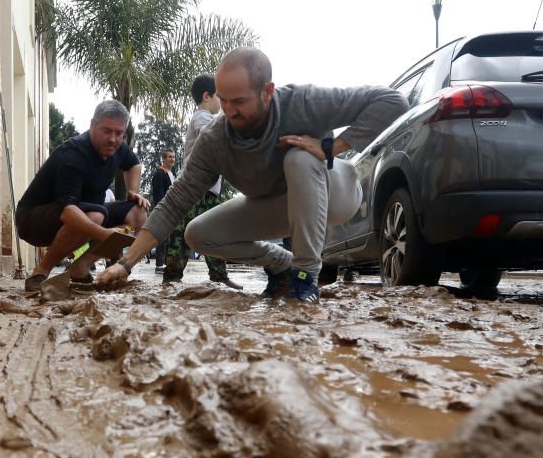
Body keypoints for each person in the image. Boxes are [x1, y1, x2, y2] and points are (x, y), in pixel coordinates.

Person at [97, 47, 408, 303]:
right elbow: (174, 202)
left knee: (300, 157)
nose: (230, 111)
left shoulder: (303, 103)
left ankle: (304, 278)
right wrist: (126, 264)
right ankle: (281, 265)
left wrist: (332, 146)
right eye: (224, 100)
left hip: (336, 193)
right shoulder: (216, 138)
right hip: (276, 206)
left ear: (267, 92)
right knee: (197, 233)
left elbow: (392, 101)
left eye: (240, 101)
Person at [15, 100, 150, 290]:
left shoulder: (119, 148)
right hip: (33, 220)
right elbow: (67, 212)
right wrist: (105, 234)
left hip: (86, 212)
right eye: (107, 130)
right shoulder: (73, 154)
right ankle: (41, 271)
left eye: (119, 133)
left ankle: (81, 267)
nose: (113, 139)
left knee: (138, 213)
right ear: (92, 125)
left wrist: (133, 191)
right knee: (95, 216)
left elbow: (134, 164)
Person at [161, 74, 243, 290]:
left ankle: (219, 275)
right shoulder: (202, 117)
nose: (223, 104)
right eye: (220, 98)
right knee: (183, 233)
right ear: (207, 96)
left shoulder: (208, 116)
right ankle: (171, 276)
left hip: (209, 190)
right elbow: (217, 132)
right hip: (192, 188)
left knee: (213, 232)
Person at [149, 150, 176, 271]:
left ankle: (165, 262)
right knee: (162, 237)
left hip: (171, 209)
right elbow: (158, 194)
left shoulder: (171, 173)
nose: (172, 159)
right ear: (164, 159)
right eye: (170, 157)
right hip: (163, 209)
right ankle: (159, 264)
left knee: (169, 238)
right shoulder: (159, 173)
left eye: (174, 157)